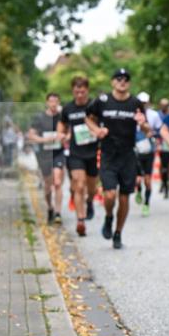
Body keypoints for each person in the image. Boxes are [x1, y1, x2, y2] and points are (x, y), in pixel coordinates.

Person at [86, 69, 150, 249]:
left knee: (124, 198)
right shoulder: (102, 100)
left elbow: (147, 130)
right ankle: (108, 217)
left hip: (128, 155)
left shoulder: (135, 103)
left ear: (129, 83)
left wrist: (142, 124)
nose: (122, 81)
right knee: (109, 195)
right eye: (119, 78)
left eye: (126, 79)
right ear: (112, 82)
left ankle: (118, 233)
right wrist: (96, 130)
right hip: (108, 154)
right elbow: (88, 118)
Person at [59, 76, 100, 236]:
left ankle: (90, 201)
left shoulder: (95, 105)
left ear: (87, 90)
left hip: (93, 152)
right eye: (77, 92)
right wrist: (61, 133)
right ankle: (80, 220)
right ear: (73, 91)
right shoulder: (68, 108)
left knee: (92, 188)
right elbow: (62, 123)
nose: (80, 95)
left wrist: (99, 130)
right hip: (76, 153)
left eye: (83, 92)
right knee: (79, 185)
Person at [27, 92, 66, 224]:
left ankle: (58, 213)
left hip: (58, 152)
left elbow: (69, 132)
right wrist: (45, 140)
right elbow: (31, 135)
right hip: (44, 154)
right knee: (48, 185)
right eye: (51, 101)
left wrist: (64, 137)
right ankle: (50, 208)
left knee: (58, 182)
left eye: (56, 101)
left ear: (59, 102)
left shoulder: (62, 116)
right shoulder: (39, 118)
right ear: (47, 103)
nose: (53, 104)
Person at [134, 91, 163, 217]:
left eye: (145, 102)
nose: (143, 104)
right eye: (141, 102)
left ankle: (146, 204)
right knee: (137, 179)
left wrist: (153, 134)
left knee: (147, 180)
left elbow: (159, 129)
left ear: (148, 102)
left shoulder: (153, 115)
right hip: (135, 150)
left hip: (149, 150)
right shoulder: (132, 114)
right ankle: (138, 190)